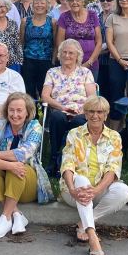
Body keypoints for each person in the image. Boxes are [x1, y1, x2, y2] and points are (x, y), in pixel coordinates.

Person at [59, 95, 128, 255]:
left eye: (100, 112)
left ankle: (83, 223)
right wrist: (72, 189)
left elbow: (113, 169)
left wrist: (96, 190)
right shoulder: (74, 134)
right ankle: (93, 238)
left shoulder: (114, 137)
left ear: (106, 115)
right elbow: (67, 164)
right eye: (91, 111)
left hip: (97, 191)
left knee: (123, 191)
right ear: (85, 113)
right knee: (82, 180)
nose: (95, 115)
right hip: (74, 192)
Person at [0, 91, 48, 239]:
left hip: (26, 184)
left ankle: (5, 218)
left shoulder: (34, 127)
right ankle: (14, 214)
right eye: (11, 110)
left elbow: (23, 154)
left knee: (19, 168)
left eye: (19, 110)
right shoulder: (0, 124)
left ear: (27, 112)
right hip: (5, 181)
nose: (15, 115)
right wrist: (9, 165)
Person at [41, 38, 98, 174]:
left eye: (71, 53)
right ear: (59, 54)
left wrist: (82, 110)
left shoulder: (85, 72)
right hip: (59, 110)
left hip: (81, 111)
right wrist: (62, 108)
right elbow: (45, 96)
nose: (67, 55)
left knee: (79, 121)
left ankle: (72, 160)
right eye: (64, 52)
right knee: (57, 118)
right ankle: (55, 159)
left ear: (78, 56)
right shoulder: (52, 72)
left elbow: (92, 97)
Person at [56, 0, 102, 78]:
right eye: (71, 0)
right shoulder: (64, 17)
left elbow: (99, 42)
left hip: (92, 64)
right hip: (70, 65)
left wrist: (90, 62)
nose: (74, 2)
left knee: (90, 87)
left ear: (83, 1)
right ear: (68, 2)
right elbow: (60, 43)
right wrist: (71, 63)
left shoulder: (92, 15)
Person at [20, 0, 55, 100]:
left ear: (47, 5)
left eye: (42, 3)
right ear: (32, 5)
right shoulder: (25, 21)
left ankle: (45, 111)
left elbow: (55, 43)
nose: (39, 5)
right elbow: (21, 42)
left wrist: (53, 60)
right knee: (28, 91)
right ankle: (30, 110)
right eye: (36, 2)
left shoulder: (52, 22)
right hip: (28, 61)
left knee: (45, 91)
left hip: (46, 61)